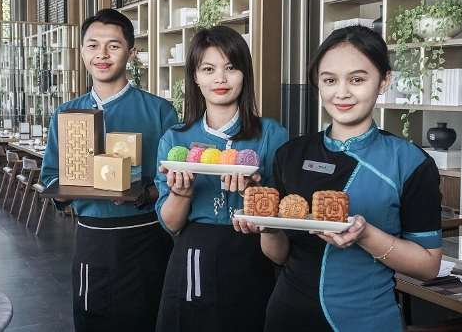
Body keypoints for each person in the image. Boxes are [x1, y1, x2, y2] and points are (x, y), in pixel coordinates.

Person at [234, 25, 443, 332]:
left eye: (357, 79)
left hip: (365, 322)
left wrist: (365, 235)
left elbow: (428, 267)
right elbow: (278, 256)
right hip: (286, 316)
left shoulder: (410, 162)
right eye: (329, 80)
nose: (341, 92)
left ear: (384, 81)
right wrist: (268, 229)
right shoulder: (290, 155)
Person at [40, 8, 178, 332]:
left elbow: (175, 183)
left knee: (147, 319)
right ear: (83, 51)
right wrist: (73, 185)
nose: (102, 54)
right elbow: (49, 177)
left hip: (147, 238)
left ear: (131, 53)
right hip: (92, 238)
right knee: (92, 320)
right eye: (93, 45)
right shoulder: (66, 113)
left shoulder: (160, 111)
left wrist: (144, 193)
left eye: (113, 46)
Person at [154, 25, 289, 331]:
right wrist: (181, 193)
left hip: (252, 256)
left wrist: (254, 193)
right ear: (195, 76)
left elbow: (283, 217)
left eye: (231, 67)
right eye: (208, 68)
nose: (220, 78)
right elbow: (170, 224)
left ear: (245, 74)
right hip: (192, 256)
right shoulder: (175, 139)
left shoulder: (271, 134)